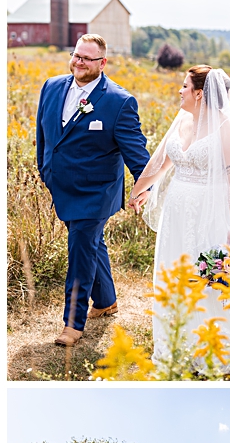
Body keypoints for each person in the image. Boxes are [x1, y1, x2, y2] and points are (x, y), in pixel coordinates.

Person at [130, 66, 230, 368]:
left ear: (199, 93)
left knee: (209, 274)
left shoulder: (225, 127)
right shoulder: (183, 119)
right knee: (176, 267)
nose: (179, 91)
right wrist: (140, 189)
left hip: (212, 211)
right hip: (178, 211)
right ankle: (178, 338)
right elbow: (162, 161)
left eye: (184, 86)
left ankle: (217, 343)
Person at [34, 34, 150, 346]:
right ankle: (106, 301)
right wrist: (45, 170)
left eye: (87, 58)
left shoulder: (118, 101)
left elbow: (136, 152)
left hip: (96, 192)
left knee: (80, 252)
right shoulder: (52, 86)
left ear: (102, 63)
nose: (80, 62)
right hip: (62, 185)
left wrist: (145, 187)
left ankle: (73, 324)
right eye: (77, 55)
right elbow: (43, 134)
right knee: (91, 245)